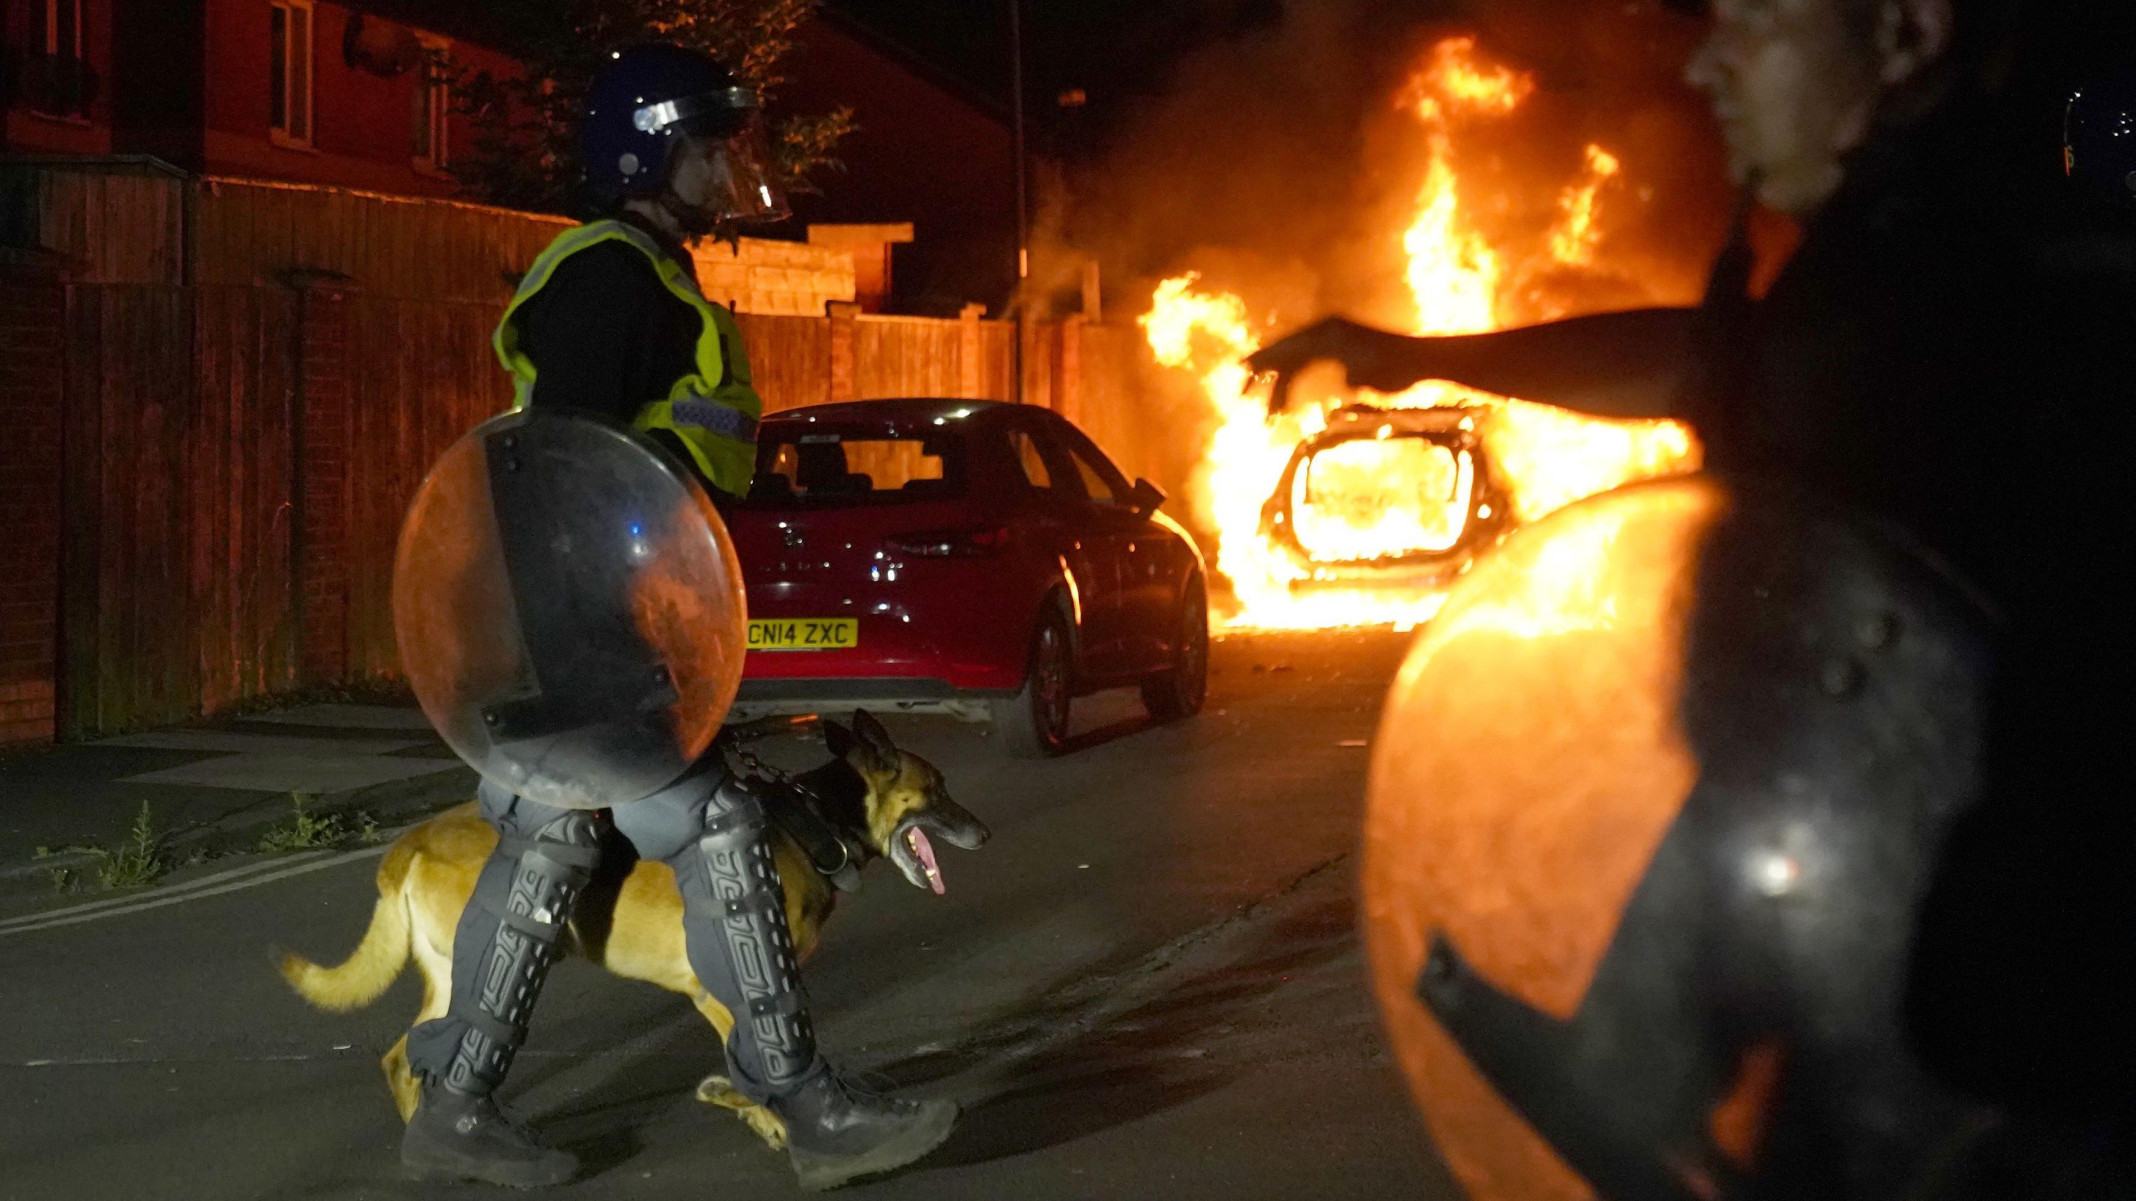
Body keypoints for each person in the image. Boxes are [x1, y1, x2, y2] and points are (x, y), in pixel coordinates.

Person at [1299, 0, 2136, 1195]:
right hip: (1859, 952)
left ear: (1903, 37)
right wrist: (1425, 355)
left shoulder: (2013, 302)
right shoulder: (1874, 266)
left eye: (1757, 22)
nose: (1708, 62)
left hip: (1987, 1025)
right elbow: (1706, 359)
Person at [397, 45, 958, 1191]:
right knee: (717, 832)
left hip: (600, 633)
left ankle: (454, 1105)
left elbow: (649, 473)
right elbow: (563, 474)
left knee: (548, 837)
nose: (725, 165)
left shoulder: (649, 275)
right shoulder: (610, 277)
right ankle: (797, 1097)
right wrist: (598, 647)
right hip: (592, 637)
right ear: (650, 151)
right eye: (706, 144)